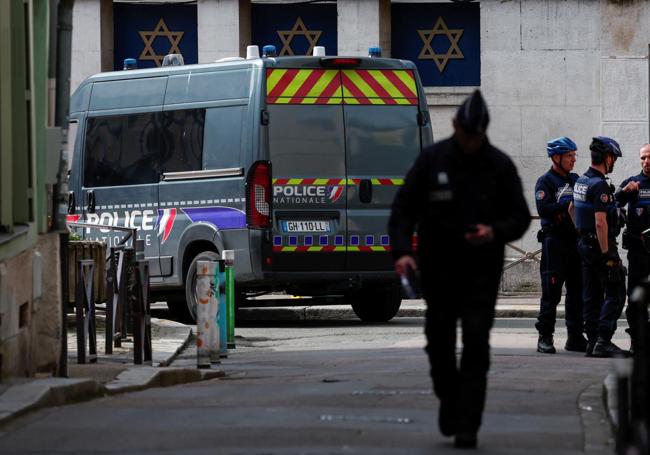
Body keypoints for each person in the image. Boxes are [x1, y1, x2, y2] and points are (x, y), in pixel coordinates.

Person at [388, 90, 530, 449]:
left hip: (481, 271)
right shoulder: (432, 161)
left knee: (476, 344)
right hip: (439, 270)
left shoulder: (499, 165)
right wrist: (403, 252)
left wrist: (494, 231)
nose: (470, 142)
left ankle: (468, 422)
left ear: (483, 132)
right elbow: (404, 209)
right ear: (455, 126)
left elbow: (518, 216)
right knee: (438, 342)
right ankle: (449, 399)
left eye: (476, 136)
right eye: (466, 134)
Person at [571, 136, 628, 358]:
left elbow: (571, 210)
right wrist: (607, 255)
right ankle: (603, 340)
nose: (614, 162)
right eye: (613, 158)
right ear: (607, 157)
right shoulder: (600, 184)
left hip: (584, 244)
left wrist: (581, 233)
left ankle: (593, 341)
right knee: (616, 289)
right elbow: (600, 222)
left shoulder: (581, 181)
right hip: (600, 246)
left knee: (591, 294)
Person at [534, 137, 586, 354]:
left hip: (575, 242)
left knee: (577, 291)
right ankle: (545, 336)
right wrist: (565, 204)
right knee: (551, 292)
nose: (574, 160)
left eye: (574, 155)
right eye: (569, 156)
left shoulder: (576, 179)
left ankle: (575, 336)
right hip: (554, 243)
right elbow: (544, 208)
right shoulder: (545, 181)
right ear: (557, 157)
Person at [615, 143, 650, 351]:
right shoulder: (632, 183)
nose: (646, 162)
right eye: (643, 158)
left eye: (649, 157)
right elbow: (611, 204)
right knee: (637, 298)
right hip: (639, 251)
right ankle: (638, 339)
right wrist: (623, 193)